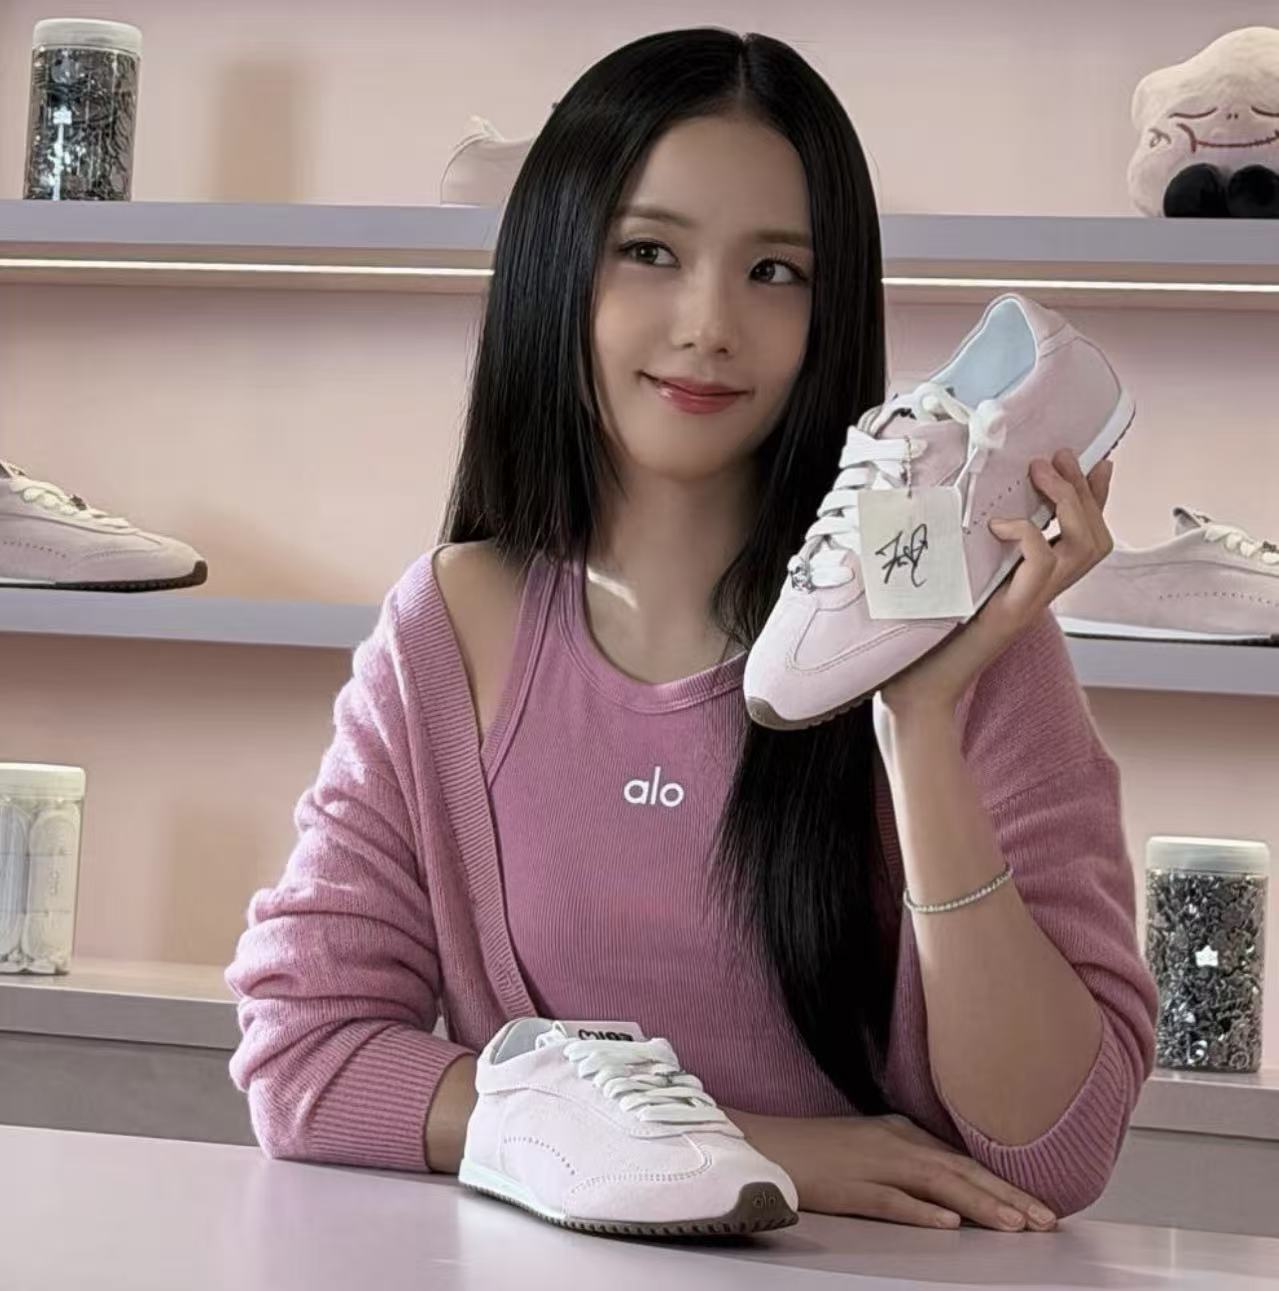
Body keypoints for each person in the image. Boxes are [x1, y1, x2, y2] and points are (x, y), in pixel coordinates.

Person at [225, 27, 1157, 1233]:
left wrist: (918, 723)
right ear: (557, 265)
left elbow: (1054, 1148)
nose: (710, 322)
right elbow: (304, 1056)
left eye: (775, 271)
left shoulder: (959, 629)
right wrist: (738, 1147)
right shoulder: (445, 628)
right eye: (649, 252)